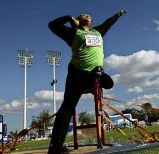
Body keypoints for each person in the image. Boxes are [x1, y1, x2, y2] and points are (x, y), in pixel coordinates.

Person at [48, 10, 127, 154]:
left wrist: (118, 15)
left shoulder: (97, 32)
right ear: (78, 21)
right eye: (83, 15)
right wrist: (67, 18)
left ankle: (95, 79)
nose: (88, 15)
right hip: (77, 74)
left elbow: (108, 23)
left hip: (94, 74)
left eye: (89, 15)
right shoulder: (73, 33)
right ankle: (55, 147)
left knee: (109, 83)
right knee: (67, 108)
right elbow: (52, 25)